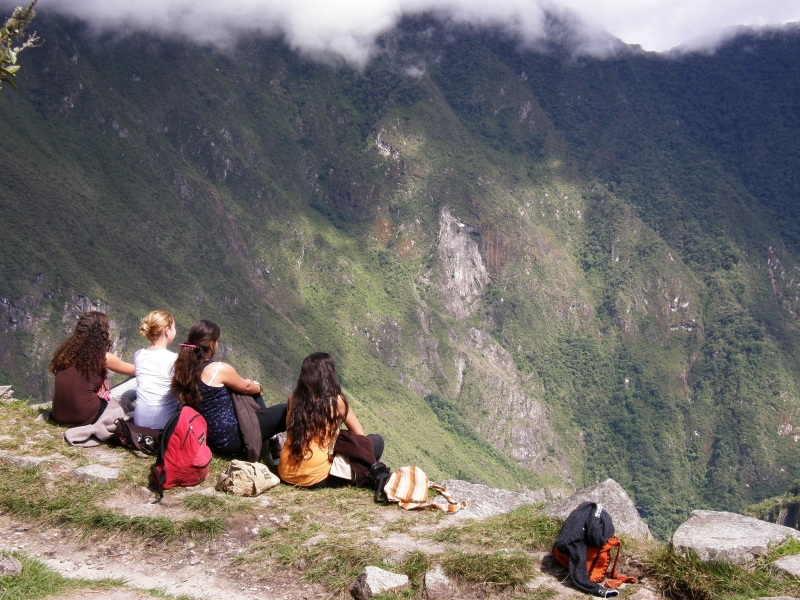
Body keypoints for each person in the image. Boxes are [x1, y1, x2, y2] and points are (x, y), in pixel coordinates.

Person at [170, 319, 286, 456]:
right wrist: (259, 387)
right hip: (229, 441)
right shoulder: (217, 369)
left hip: (205, 437)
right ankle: (275, 445)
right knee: (286, 409)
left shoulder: (182, 367)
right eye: (216, 341)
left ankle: (267, 437)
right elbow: (246, 387)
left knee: (253, 397)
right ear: (212, 344)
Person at [278, 352, 384, 488]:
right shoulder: (336, 401)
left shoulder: (295, 398)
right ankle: (370, 476)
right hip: (315, 478)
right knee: (377, 441)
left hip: (285, 473)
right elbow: (359, 435)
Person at [49, 311, 135, 426]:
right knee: (136, 380)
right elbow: (137, 370)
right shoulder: (102, 357)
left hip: (59, 415)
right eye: (107, 329)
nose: (109, 332)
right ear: (102, 333)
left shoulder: (66, 352)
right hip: (86, 417)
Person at [132, 310, 180, 429]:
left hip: (139, 424)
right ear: (167, 332)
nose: (175, 330)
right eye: (174, 327)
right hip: (164, 427)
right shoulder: (175, 359)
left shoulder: (138, 355)